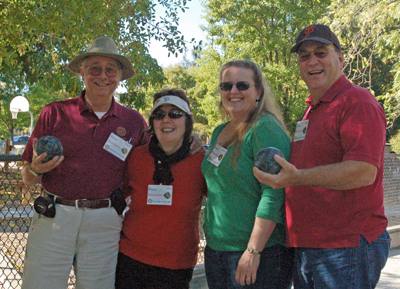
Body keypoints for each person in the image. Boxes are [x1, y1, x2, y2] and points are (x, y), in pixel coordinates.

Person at [253, 24, 390, 289]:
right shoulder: (311, 111)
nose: (312, 61)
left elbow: (364, 171)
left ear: (340, 58)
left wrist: (297, 177)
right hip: (310, 246)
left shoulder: (357, 101)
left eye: (320, 52)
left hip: (344, 247)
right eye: (304, 56)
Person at [20, 36, 148, 289]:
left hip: (105, 220)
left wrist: (192, 142)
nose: (103, 75)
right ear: (82, 72)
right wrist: (35, 169)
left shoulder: (133, 121)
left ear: (120, 76)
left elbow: (154, 159)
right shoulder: (55, 113)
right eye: (94, 68)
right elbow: (27, 174)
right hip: (55, 217)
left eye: (110, 69)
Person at [202, 59, 294, 289]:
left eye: (242, 86)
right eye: (226, 86)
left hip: (256, 255)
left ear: (258, 91)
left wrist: (253, 251)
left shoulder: (264, 128)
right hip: (217, 251)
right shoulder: (219, 132)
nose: (233, 91)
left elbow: (273, 193)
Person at [115, 89, 206, 289]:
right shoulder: (136, 157)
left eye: (175, 114)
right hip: (131, 258)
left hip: (177, 264)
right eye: (159, 115)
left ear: (187, 121)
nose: (166, 120)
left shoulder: (201, 161)